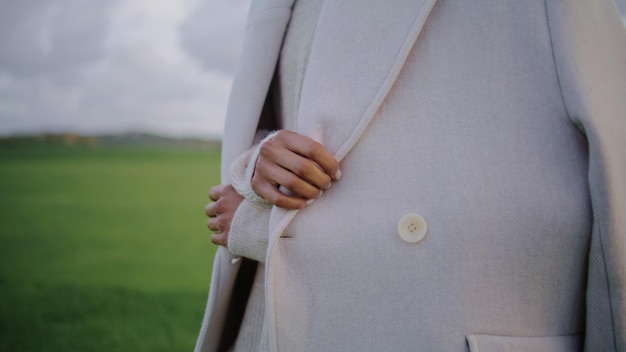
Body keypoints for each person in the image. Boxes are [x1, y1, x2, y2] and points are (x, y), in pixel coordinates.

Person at [196, 0, 626, 351]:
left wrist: (261, 224)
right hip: (275, 319)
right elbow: (289, 108)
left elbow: (606, 166)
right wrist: (258, 162)